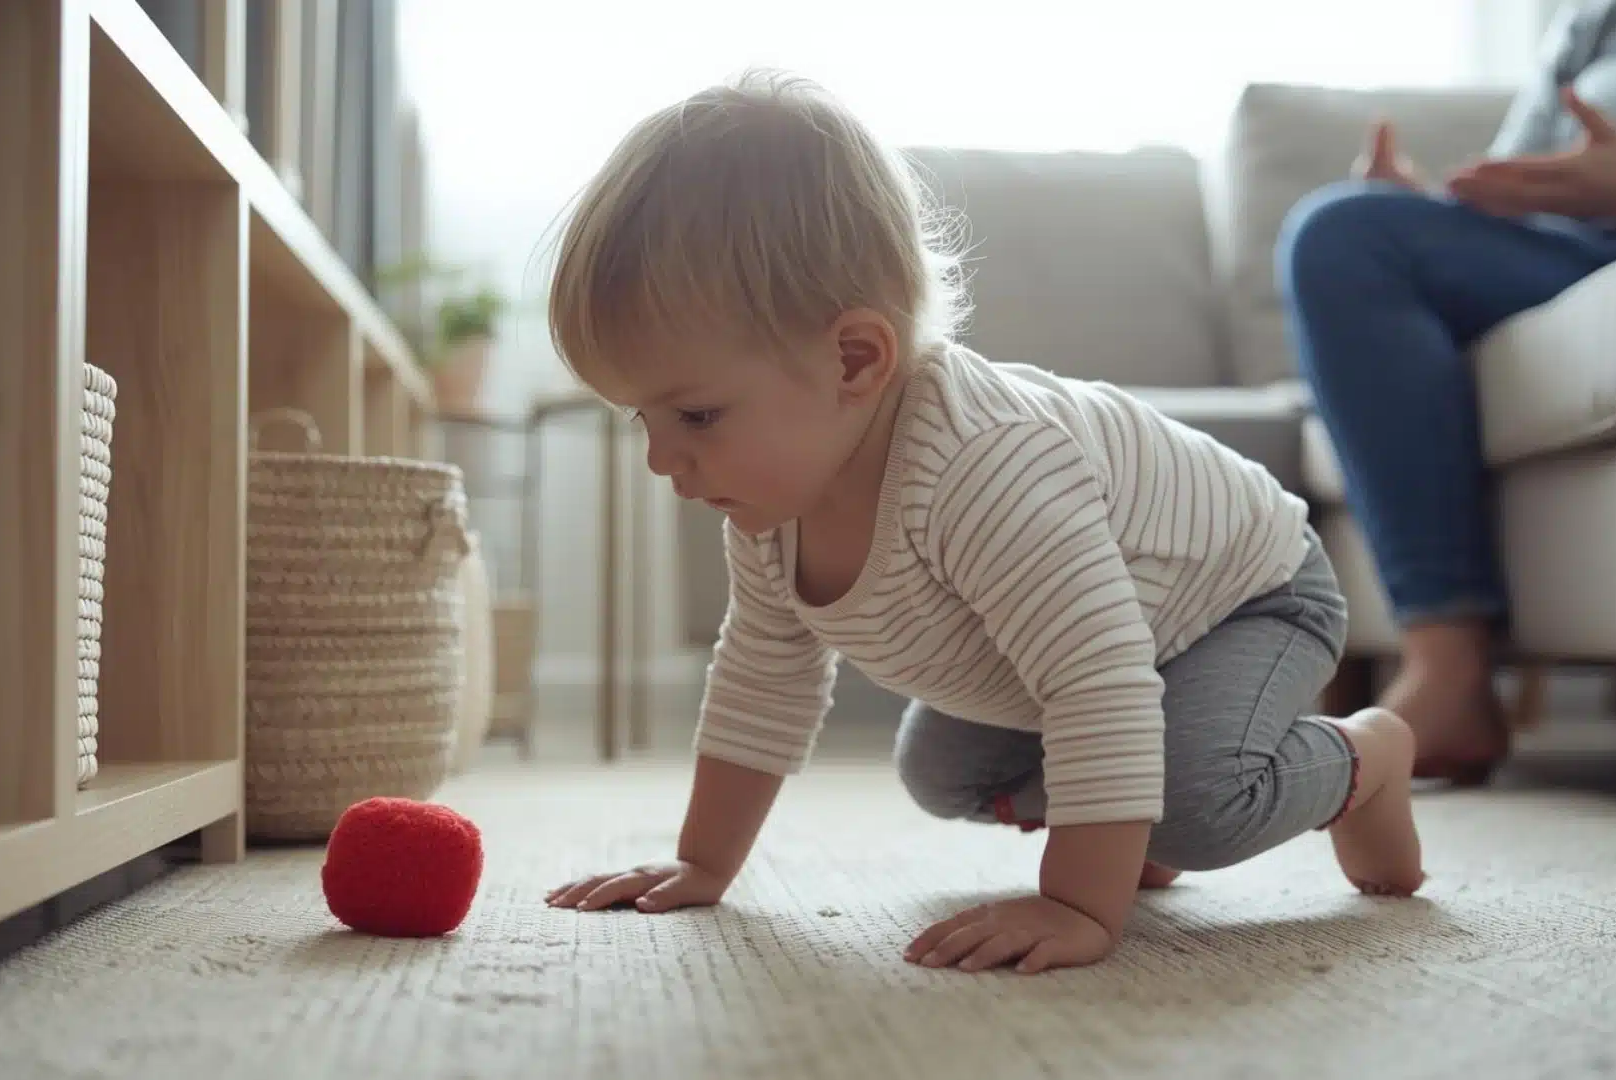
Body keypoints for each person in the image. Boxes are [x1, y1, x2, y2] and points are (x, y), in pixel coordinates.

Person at [539, 68, 1425, 978]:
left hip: (1245, 594)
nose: (662, 460)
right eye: (642, 418)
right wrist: (703, 862)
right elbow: (763, 684)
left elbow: (1095, 681)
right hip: (1110, 640)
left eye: (695, 416)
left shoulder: (983, 466)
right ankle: (1132, 814)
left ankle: (1365, 758)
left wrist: (1078, 902)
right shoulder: (771, 509)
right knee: (942, 772)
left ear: (854, 359)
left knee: (1197, 810)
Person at [1277, 0, 1616, 785]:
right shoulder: (1609, 12)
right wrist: (1424, 209)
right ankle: (1448, 669)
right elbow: (1515, 177)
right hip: (1561, 254)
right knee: (1343, 234)